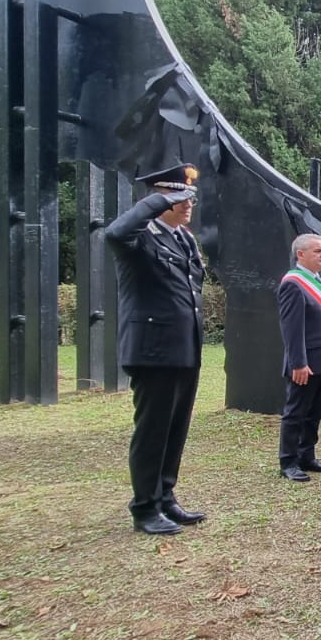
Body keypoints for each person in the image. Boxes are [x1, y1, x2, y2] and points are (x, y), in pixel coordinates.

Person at [103, 163, 207, 535]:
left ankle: (165, 497)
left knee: (175, 428)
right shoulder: (140, 238)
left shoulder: (183, 239)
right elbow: (114, 234)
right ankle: (144, 507)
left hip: (184, 350)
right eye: (177, 196)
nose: (186, 203)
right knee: (152, 431)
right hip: (153, 351)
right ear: (158, 197)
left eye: (189, 196)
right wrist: (157, 201)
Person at [276, 233, 321, 482]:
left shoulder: (319, 283)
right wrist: (298, 362)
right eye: (317, 251)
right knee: (295, 412)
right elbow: (291, 329)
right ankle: (288, 461)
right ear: (300, 254)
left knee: (314, 412)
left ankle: (307, 455)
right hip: (304, 363)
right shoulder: (293, 284)